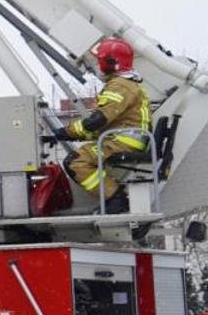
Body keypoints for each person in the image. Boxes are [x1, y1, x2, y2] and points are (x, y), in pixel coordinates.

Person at [55, 37, 151, 214]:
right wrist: (73, 134)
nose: (99, 65)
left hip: (122, 142)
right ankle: (113, 196)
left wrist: (66, 132)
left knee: (76, 162)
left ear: (111, 63)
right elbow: (106, 126)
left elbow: (98, 120)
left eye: (101, 61)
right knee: (80, 157)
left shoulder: (120, 85)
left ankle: (115, 198)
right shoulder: (128, 84)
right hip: (124, 139)